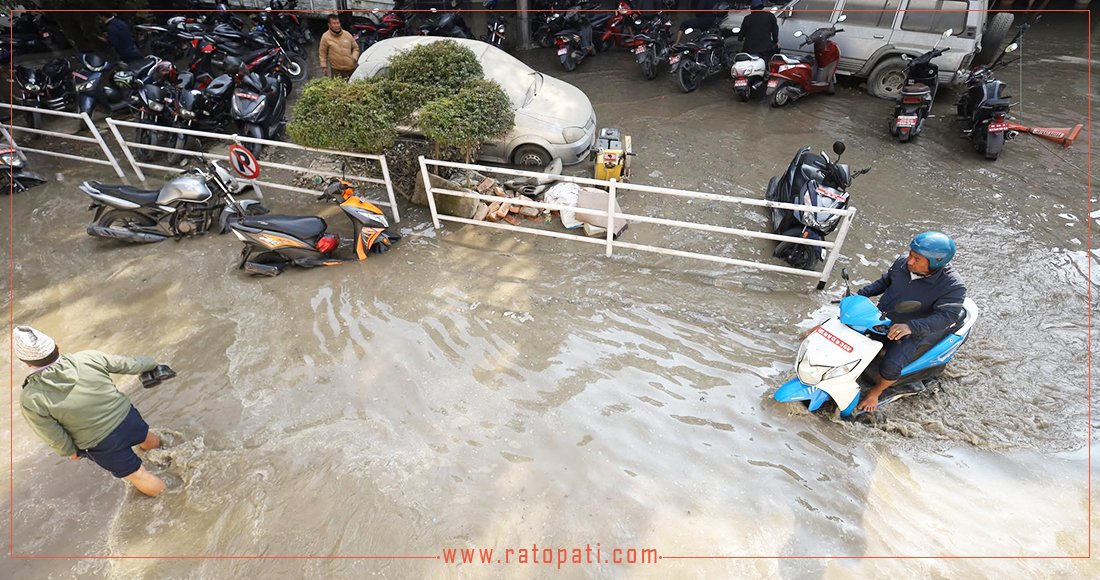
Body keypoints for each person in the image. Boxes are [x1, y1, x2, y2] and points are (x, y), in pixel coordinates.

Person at [15, 326, 169, 497]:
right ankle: (167, 457)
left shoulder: (31, 397)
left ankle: (173, 499)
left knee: (138, 475)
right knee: (146, 437)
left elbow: (51, 433)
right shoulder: (88, 357)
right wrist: (151, 364)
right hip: (127, 416)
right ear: (57, 347)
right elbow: (128, 364)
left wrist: (69, 451)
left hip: (101, 442)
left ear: (27, 363)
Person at [855, 232, 966, 412]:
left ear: (936, 261)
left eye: (917, 259)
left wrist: (910, 327)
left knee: (892, 364)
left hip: (913, 330)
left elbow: (947, 316)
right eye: (911, 255)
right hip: (881, 317)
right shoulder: (902, 263)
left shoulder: (953, 286)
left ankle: (875, 392)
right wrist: (861, 295)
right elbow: (884, 282)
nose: (910, 261)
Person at [319, 13, 361, 79]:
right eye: (334, 23)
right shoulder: (325, 37)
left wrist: (354, 58)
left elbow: (356, 48)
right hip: (337, 70)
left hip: (351, 68)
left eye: (338, 23)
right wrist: (324, 66)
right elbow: (322, 53)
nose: (337, 25)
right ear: (329, 25)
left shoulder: (347, 34)